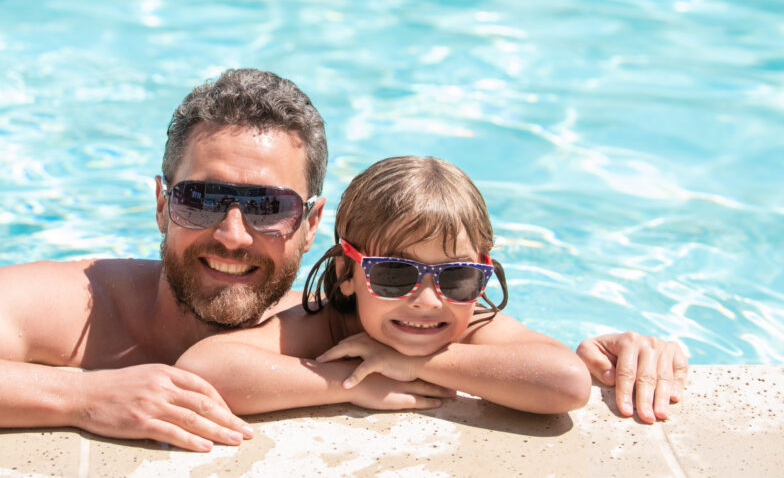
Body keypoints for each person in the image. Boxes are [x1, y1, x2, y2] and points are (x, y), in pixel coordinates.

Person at [0, 68, 688, 453]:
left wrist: (620, 349)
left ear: (313, 228)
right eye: (200, 198)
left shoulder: (355, 307)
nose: (229, 233)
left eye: (265, 206)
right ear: (158, 200)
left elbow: (497, 341)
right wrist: (81, 394)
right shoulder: (79, 304)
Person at [177, 156, 592, 414]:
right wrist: (353, 383)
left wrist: (417, 365)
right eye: (395, 275)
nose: (429, 302)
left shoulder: (473, 324)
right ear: (346, 274)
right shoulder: (328, 323)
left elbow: (567, 382)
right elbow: (202, 370)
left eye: (458, 277)